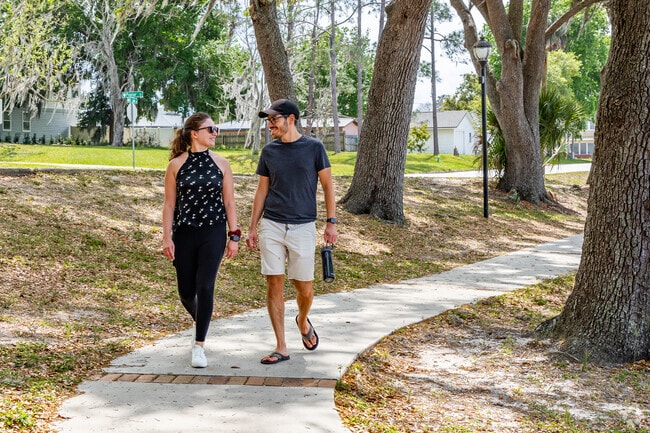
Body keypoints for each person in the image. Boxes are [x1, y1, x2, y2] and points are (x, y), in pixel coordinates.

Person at [246, 99, 338, 365]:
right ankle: (281, 346)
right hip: (272, 225)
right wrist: (253, 226)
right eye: (268, 120)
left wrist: (331, 222)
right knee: (274, 282)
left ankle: (302, 318)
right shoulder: (269, 151)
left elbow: (328, 187)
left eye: (274, 119)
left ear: (291, 119)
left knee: (304, 287)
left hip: (303, 226)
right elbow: (262, 190)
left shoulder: (314, 148)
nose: (270, 125)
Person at [161, 112, 240, 368]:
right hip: (184, 233)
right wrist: (166, 237)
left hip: (213, 233)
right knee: (186, 292)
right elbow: (169, 204)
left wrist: (234, 236)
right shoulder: (176, 165)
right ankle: (203, 322)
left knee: (205, 286)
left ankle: (199, 345)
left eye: (215, 129)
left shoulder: (222, 163)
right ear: (194, 133)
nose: (215, 133)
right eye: (210, 129)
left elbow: (229, 202)